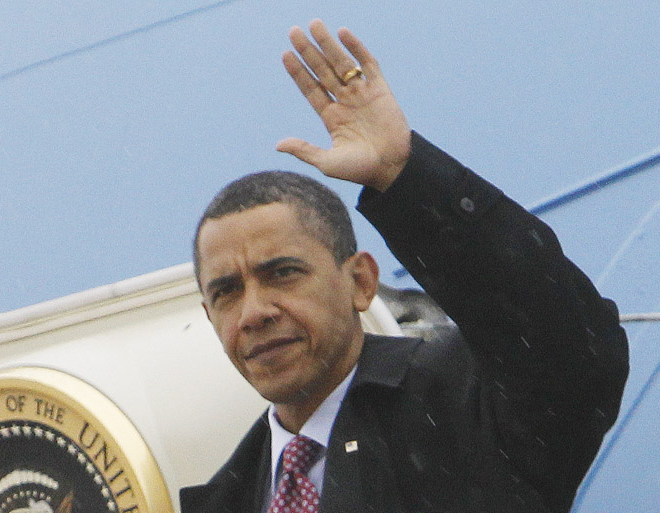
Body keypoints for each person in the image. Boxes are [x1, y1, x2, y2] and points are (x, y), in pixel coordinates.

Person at [181, 19, 629, 513]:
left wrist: (406, 177)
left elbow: (575, 352)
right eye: (226, 292)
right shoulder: (226, 495)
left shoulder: (466, 404)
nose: (254, 312)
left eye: (282, 273)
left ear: (361, 281)